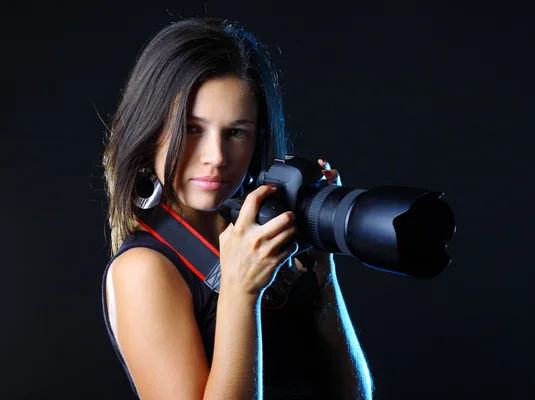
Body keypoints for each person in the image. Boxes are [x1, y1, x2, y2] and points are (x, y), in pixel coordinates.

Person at [101, 17, 373, 399]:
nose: (215, 157)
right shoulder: (144, 270)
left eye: (236, 132)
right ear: (150, 131)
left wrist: (322, 275)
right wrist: (240, 293)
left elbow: (356, 395)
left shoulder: (262, 238)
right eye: (193, 128)